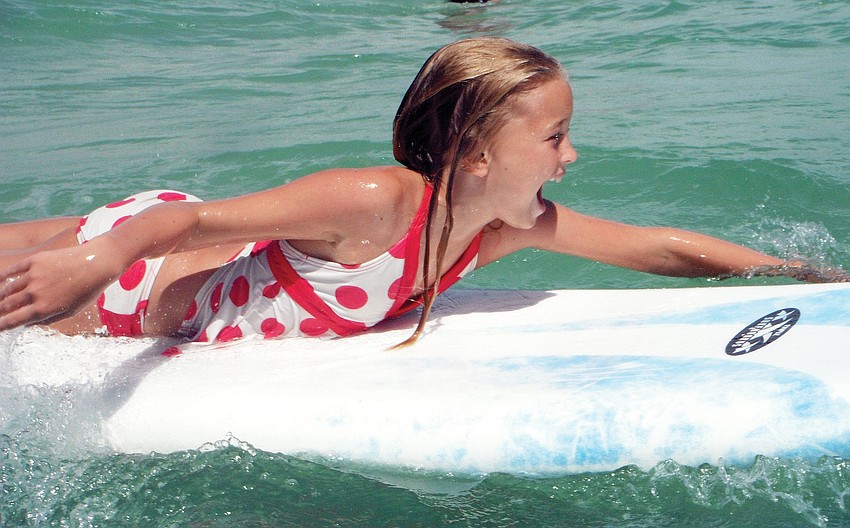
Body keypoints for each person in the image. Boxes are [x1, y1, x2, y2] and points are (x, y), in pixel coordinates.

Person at [0, 37, 844, 348]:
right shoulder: (377, 201)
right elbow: (188, 220)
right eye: (553, 138)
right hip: (127, 281)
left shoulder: (501, 228)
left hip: (136, 254)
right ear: (475, 151)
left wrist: (801, 274)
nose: (570, 156)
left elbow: (653, 245)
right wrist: (99, 256)